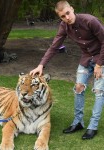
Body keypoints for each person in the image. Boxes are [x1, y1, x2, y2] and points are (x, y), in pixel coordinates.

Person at [30, 0, 104, 140]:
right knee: (78, 88)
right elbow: (54, 46)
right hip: (86, 59)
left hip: (101, 58)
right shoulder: (64, 26)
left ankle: (93, 126)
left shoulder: (90, 21)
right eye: (63, 16)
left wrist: (99, 65)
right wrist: (41, 65)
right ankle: (78, 123)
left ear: (72, 9)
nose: (67, 18)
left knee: (99, 92)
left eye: (68, 13)